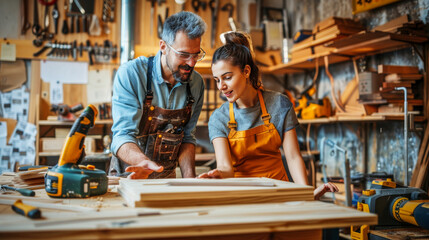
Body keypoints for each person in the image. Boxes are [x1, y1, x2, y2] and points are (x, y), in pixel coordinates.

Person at [198, 39, 338, 200]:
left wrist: (306, 194)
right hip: (241, 198)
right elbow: (226, 168)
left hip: (278, 193)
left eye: (227, 77)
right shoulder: (218, 118)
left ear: (246, 71)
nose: (220, 86)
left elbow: (293, 156)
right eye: (217, 80)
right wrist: (217, 174)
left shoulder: (279, 104)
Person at [109, 11, 207, 179]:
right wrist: (142, 162)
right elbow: (122, 135)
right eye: (184, 55)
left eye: (196, 54)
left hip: (167, 181)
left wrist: (190, 183)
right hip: (129, 177)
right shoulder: (131, 74)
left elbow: (187, 138)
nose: (191, 63)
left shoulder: (196, 84)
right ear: (163, 47)